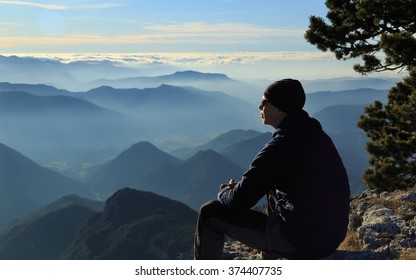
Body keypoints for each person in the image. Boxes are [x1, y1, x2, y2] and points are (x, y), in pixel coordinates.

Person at [194, 78, 350, 259]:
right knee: (273, 191)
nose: (260, 107)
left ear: (279, 106)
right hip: (330, 236)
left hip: (301, 242)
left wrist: (226, 193)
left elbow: (238, 202)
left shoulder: (281, 145)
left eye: (264, 102)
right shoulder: (316, 135)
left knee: (209, 213)